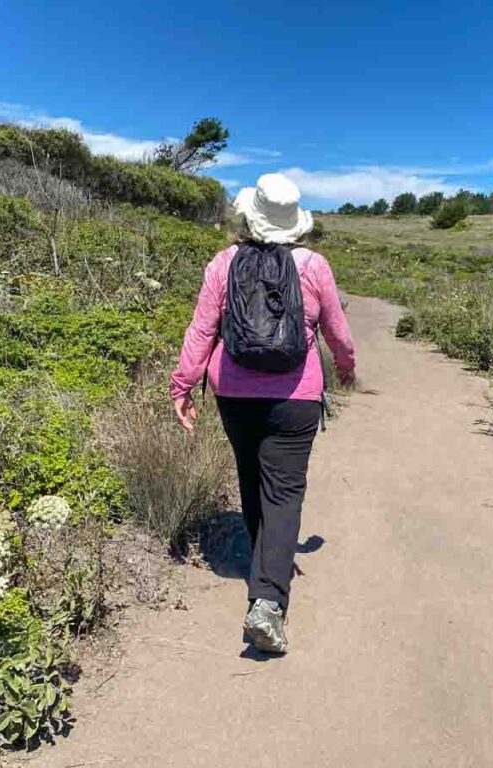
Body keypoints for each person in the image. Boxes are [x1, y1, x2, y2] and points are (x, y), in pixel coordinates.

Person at [171, 173, 356, 654]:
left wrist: (183, 384)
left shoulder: (223, 263)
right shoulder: (315, 266)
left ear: (250, 215)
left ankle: (263, 562)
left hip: (234, 393)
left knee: (251, 480)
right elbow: (337, 330)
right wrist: (347, 367)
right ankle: (268, 599)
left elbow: (201, 330)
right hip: (295, 398)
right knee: (284, 493)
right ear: (295, 223)